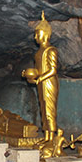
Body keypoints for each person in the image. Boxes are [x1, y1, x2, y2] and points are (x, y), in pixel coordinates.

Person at [22, 11, 59, 142]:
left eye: (37, 33)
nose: (35, 37)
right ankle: (46, 135)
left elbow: (53, 70)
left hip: (49, 82)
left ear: (45, 34)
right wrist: (29, 75)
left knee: (50, 109)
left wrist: (40, 78)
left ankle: (51, 137)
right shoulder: (38, 53)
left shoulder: (51, 50)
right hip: (42, 82)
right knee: (42, 108)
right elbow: (38, 70)